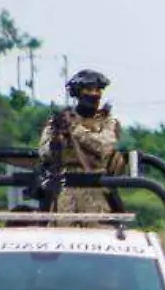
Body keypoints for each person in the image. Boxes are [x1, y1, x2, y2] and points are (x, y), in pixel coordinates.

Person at [38, 69, 126, 214]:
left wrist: (75, 130)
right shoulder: (58, 121)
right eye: (89, 89)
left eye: (98, 90)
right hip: (64, 190)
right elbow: (44, 153)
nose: (94, 94)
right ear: (78, 92)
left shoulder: (108, 122)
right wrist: (59, 139)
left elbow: (104, 147)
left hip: (98, 190)